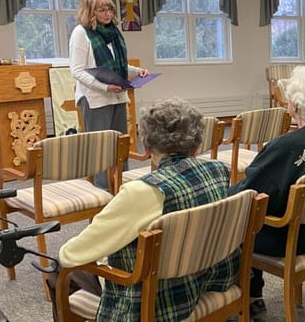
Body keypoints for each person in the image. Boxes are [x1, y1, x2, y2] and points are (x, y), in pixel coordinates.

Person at [54, 98, 235, 321]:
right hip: (209, 280)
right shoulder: (219, 171)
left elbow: (72, 254)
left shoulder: (141, 192)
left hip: (159, 302)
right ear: (198, 143)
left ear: (146, 146)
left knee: (59, 269)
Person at [230, 66, 305, 320]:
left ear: (294, 107)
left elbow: (248, 194)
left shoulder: (285, 146)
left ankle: (247, 298)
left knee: (231, 224)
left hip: (291, 238)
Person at [69, 0, 148, 188]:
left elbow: (117, 65)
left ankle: (122, 186)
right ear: (90, 12)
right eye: (101, 10)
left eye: (110, 10)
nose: (107, 14)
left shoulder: (113, 32)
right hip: (95, 98)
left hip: (117, 96)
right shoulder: (81, 33)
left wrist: (137, 71)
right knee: (101, 148)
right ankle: (103, 190)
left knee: (120, 145)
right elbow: (77, 71)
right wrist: (104, 86)